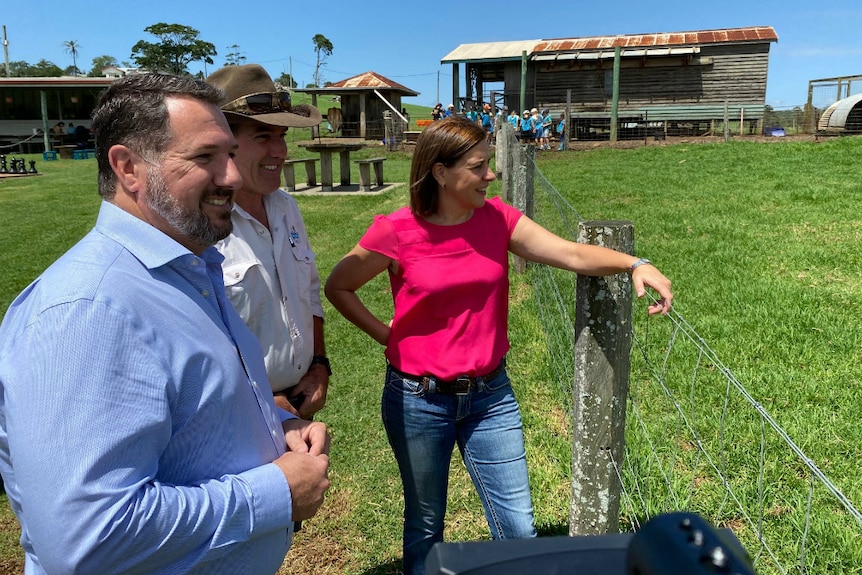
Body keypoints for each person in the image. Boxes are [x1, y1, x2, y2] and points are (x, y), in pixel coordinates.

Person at [0, 72, 331, 574]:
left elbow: (189, 409)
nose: (232, 177)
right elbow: (87, 538)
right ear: (128, 167)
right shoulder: (87, 311)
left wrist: (276, 426)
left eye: (228, 154)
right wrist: (277, 491)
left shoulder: (189, 269)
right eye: (204, 158)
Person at [324, 117, 673, 574]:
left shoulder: (497, 220)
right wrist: (389, 337)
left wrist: (634, 263)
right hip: (418, 399)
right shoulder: (396, 230)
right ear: (440, 173)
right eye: (479, 166)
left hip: (491, 397)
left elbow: (568, 253)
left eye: (489, 163)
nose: (491, 175)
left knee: (519, 528)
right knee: (426, 524)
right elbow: (339, 286)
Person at [206, 64, 330, 420]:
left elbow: (308, 292)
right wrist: (256, 400)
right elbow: (195, 337)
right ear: (222, 141)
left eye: (282, 136)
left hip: (298, 403)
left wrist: (319, 365)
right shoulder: (200, 225)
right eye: (263, 136)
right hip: (234, 414)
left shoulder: (285, 206)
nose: (279, 151)